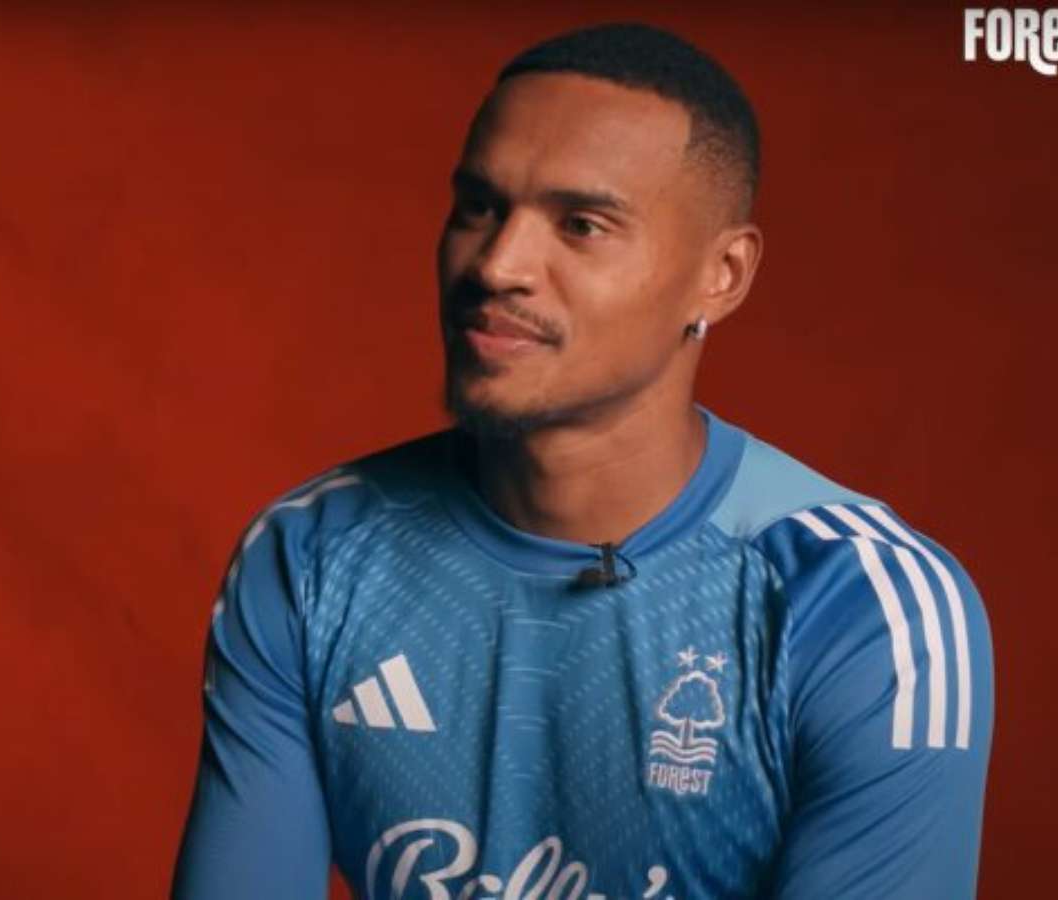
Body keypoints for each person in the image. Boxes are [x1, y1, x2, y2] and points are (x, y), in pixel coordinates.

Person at [171, 22, 993, 900]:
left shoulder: (864, 605)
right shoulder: (310, 557)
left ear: (721, 274)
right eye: (479, 207)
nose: (498, 265)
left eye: (582, 225)